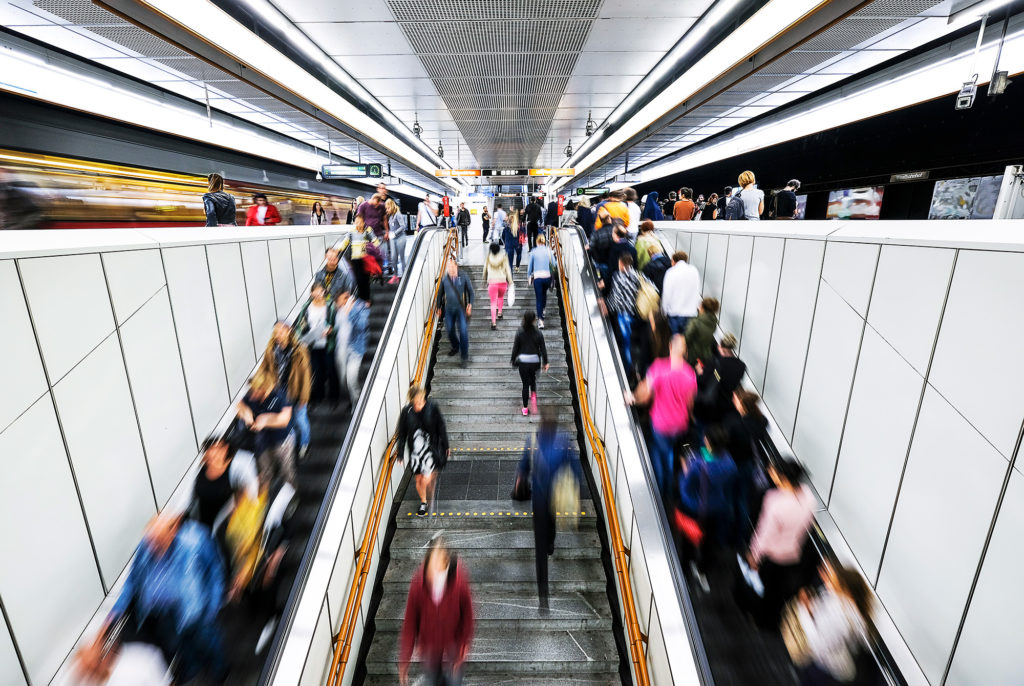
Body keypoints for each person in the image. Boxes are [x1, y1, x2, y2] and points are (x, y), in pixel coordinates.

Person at [81, 512, 227, 684]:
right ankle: (192, 670)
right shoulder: (145, 546)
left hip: (195, 612)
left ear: (172, 532)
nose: (152, 547)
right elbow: (131, 583)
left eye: (158, 542)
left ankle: (220, 671)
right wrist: (112, 617)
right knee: (180, 647)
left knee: (207, 643)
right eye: (150, 541)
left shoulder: (194, 542)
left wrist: (213, 607)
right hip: (162, 614)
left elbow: (215, 571)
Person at [516, 410, 581, 611]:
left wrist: (520, 478)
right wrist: (574, 487)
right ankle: (551, 541)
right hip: (557, 496)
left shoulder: (533, 440)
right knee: (551, 523)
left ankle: (543, 598)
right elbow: (575, 469)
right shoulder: (563, 441)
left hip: (539, 499)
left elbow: (524, 465)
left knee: (539, 548)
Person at [746, 458, 816, 628]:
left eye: (774, 473)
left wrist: (754, 555)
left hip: (773, 556)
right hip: (793, 552)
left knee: (766, 588)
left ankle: (761, 620)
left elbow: (764, 534)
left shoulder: (775, 501)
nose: (771, 474)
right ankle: (775, 617)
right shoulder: (809, 497)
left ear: (783, 478)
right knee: (780, 589)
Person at [628, 334, 697, 499]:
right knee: (670, 452)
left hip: (661, 424)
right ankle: (669, 485)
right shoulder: (690, 374)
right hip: (680, 424)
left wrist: (632, 397)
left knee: (660, 457)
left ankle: (661, 494)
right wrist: (690, 418)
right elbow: (690, 403)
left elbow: (644, 396)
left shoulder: (659, 367)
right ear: (685, 351)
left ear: (670, 347)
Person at [398, 536, 474, 685]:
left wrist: (464, 645)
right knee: (434, 680)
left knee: (454, 681)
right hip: (430, 647)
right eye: (430, 565)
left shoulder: (459, 581)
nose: (431, 572)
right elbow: (410, 622)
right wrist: (405, 659)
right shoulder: (418, 583)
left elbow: (468, 616)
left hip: (453, 646)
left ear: (445, 562)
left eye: (436, 565)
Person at [677, 426, 738, 591]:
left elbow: (686, 488)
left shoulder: (697, 464)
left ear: (708, 442)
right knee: (709, 541)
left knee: (689, 539)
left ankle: (685, 568)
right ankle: (702, 569)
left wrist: (684, 471)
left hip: (694, 508)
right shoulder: (730, 464)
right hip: (717, 508)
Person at [790, 564, 872, 686]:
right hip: (823, 662)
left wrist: (806, 610)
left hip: (831, 671)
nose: (826, 580)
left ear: (845, 588)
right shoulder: (839, 600)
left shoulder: (846, 618)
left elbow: (819, 645)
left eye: (832, 579)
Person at [258, 320, 312, 459]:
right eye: (276, 331)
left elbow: (305, 375)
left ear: (288, 331)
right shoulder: (271, 351)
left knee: (301, 420)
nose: (278, 334)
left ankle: (305, 444)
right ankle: (293, 448)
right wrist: (256, 383)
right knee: (288, 424)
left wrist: (304, 397)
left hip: (296, 391)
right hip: (280, 394)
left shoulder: (300, 350)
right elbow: (263, 369)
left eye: (281, 330)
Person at [723, 390, 769, 543]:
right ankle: (741, 535)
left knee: (729, 498)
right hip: (750, 465)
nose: (734, 401)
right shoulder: (762, 421)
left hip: (732, 465)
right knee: (742, 499)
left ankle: (728, 532)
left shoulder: (734, 423)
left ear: (743, 405)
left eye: (737, 400)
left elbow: (726, 445)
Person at [397, 385, 450, 517]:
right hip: (415, 450)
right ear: (411, 401)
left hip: (430, 448)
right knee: (418, 479)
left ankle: (431, 481)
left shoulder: (432, 407)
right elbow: (402, 433)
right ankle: (423, 502)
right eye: (416, 403)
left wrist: (446, 445)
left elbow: (441, 426)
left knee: (426, 477)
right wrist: (400, 453)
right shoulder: (406, 412)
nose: (419, 406)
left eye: (421, 402)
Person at [190, 435, 258, 535]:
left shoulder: (238, 467)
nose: (211, 458)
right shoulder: (202, 471)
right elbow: (193, 498)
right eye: (208, 453)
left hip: (230, 529)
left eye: (215, 453)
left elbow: (250, 494)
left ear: (225, 450)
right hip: (205, 529)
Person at [237, 370, 295, 486]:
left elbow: (284, 419)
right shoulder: (251, 396)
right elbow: (239, 404)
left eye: (255, 391)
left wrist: (265, 421)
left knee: (286, 472)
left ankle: (291, 495)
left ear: (264, 389)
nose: (252, 395)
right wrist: (246, 414)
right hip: (262, 444)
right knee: (265, 474)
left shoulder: (279, 396)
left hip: (281, 443)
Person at [295, 283, 339, 407]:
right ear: (312, 293)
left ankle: (334, 398)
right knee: (316, 371)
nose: (319, 294)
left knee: (331, 369)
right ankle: (319, 396)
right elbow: (300, 325)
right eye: (317, 292)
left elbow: (337, 324)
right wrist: (302, 337)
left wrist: (331, 330)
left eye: (321, 291)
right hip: (312, 344)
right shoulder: (307, 307)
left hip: (327, 343)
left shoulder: (330, 306)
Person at [603, 254, 641, 370]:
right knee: (631, 342)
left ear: (622, 264)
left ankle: (628, 370)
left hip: (623, 314)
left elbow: (616, 298)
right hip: (633, 313)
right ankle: (636, 368)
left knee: (626, 344)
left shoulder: (618, 277)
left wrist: (606, 306)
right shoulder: (637, 275)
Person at [333, 288, 370, 406]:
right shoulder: (339, 310)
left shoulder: (360, 306)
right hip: (342, 348)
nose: (337, 305)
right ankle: (353, 397)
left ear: (347, 298)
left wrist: (351, 312)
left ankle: (357, 403)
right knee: (343, 378)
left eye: (338, 302)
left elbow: (362, 325)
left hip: (356, 349)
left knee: (351, 378)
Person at [436, 259, 474, 364]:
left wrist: (470, 304)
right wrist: (438, 307)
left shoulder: (464, 276)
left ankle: (464, 357)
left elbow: (471, 292)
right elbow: (440, 294)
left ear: (456, 266)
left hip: (460, 308)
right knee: (450, 330)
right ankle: (456, 346)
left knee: (463, 331)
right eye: (448, 268)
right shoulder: (445, 279)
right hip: (449, 309)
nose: (450, 270)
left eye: (452, 267)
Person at [511, 312, 549, 415]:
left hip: (523, 362)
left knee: (525, 385)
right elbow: (543, 349)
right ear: (533, 320)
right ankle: (534, 404)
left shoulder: (520, 332)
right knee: (533, 382)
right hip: (535, 361)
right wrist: (545, 362)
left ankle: (525, 409)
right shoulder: (538, 333)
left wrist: (513, 360)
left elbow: (515, 348)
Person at [661, 251, 701, 335]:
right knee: (685, 341)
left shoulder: (671, 272)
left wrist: (664, 311)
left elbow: (666, 294)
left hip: (674, 313)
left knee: (675, 340)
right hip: (691, 313)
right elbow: (697, 290)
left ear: (674, 261)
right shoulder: (694, 271)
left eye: (671, 261)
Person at [527, 234, 556, 329]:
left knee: (539, 298)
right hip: (547, 277)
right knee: (544, 294)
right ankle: (543, 309)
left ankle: (540, 320)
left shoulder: (533, 252)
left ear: (537, 241)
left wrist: (529, 276)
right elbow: (554, 264)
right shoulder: (549, 251)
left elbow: (530, 266)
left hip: (538, 278)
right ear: (544, 241)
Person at [483, 242, 513, 330]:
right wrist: (510, 281)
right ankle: (499, 312)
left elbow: (485, 270)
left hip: (492, 282)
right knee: (500, 297)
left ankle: (493, 322)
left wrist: (484, 280)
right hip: (502, 282)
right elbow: (508, 270)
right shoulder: (504, 257)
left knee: (493, 302)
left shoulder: (488, 258)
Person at [685, 297, 720, 365]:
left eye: (700, 305)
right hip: (705, 355)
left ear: (703, 308)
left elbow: (687, 338)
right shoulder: (713, 323)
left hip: (691, 355)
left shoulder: (695, 322)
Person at [386, 198, 406, 283]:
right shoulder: (390, 217)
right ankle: (395, 275)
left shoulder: (398, 214)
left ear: (392, 206)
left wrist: (395, 233)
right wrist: (390, 233)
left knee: (401, 257)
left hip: (401, 238)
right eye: (386, 208)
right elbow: (391, 227)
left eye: (388, 208)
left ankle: (405, 275)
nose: (387, 210)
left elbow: (403, 226)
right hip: (393, 239)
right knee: (393, 257)